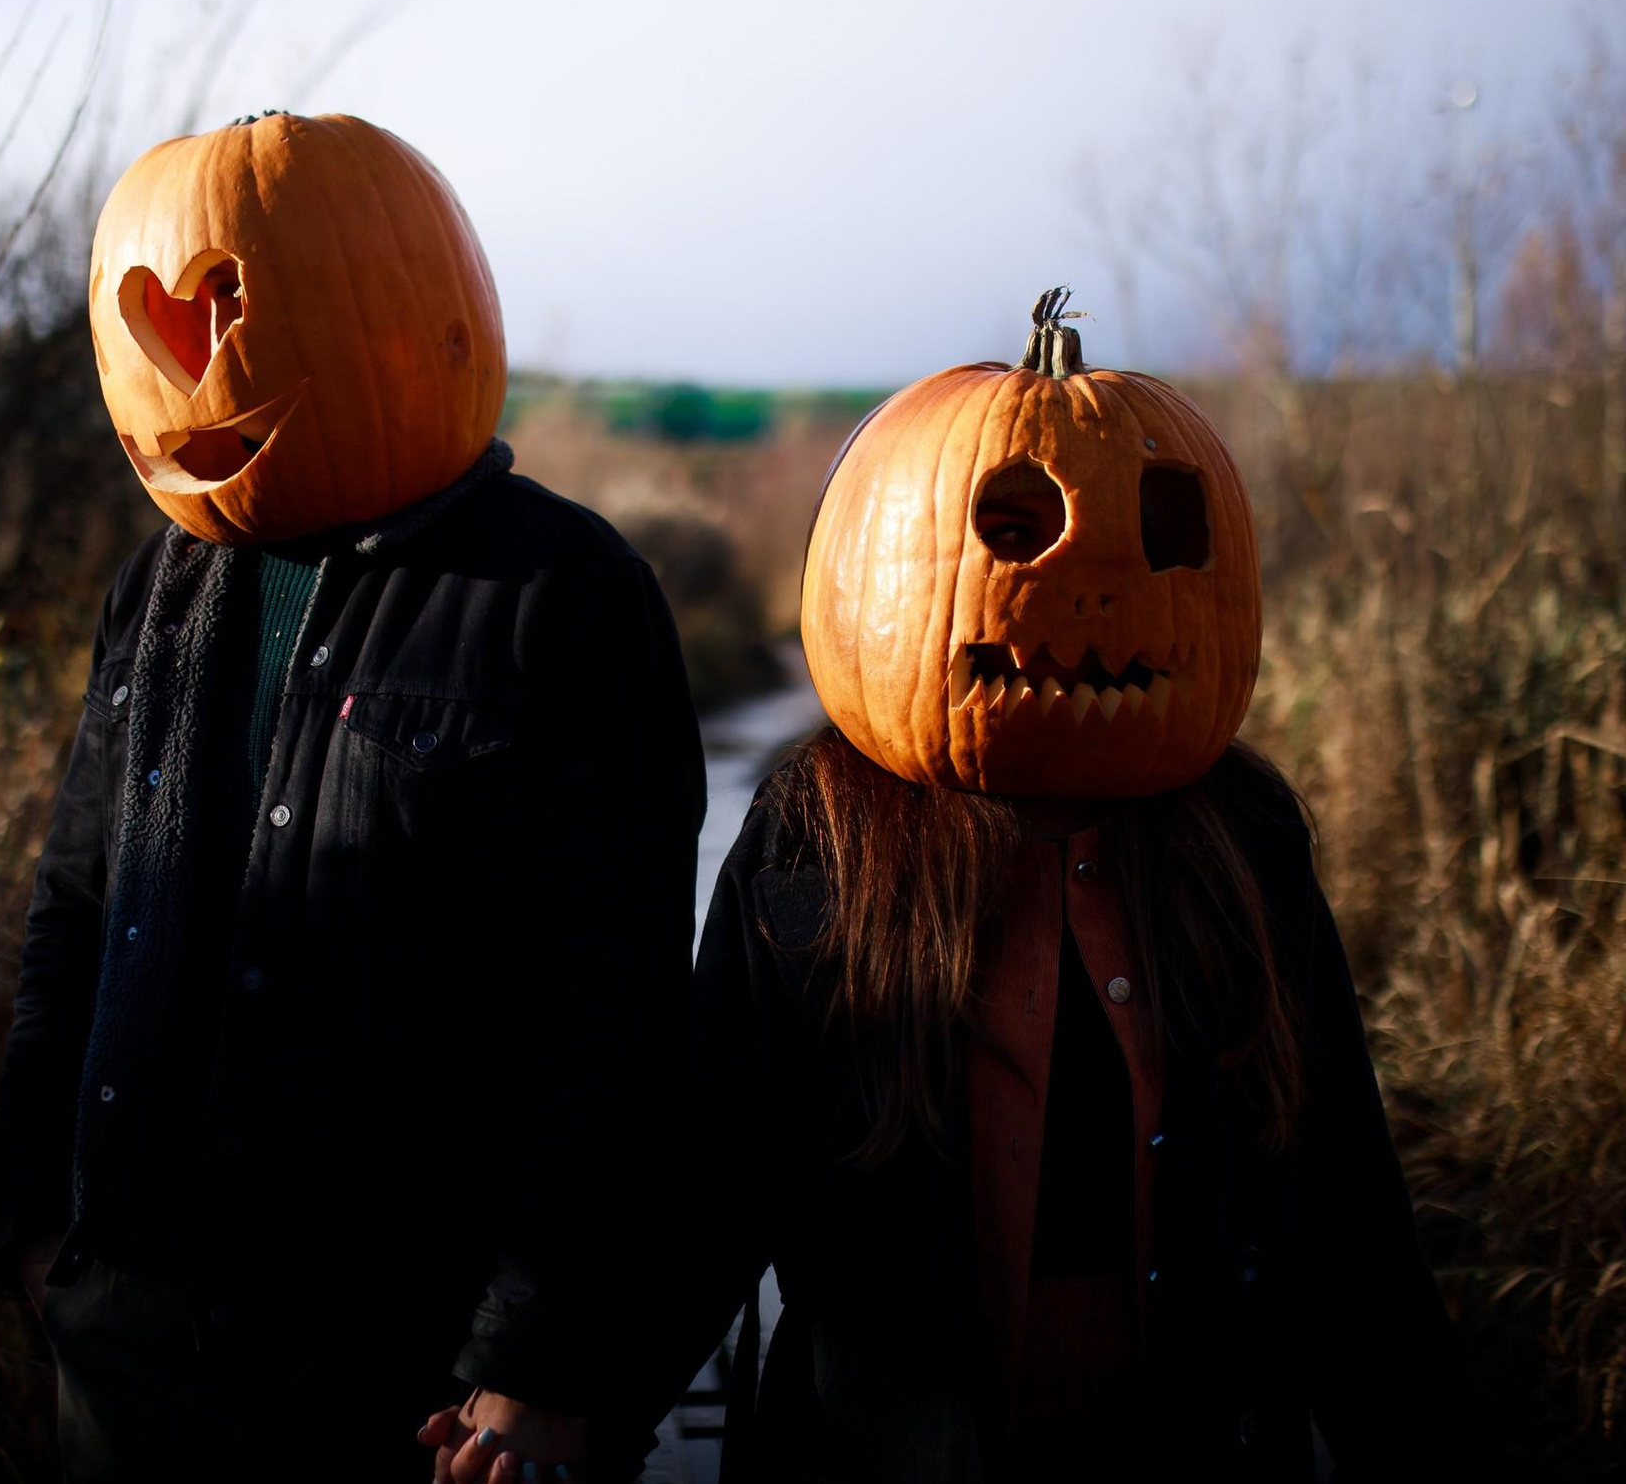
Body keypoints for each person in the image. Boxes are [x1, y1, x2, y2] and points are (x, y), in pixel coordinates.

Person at [622, 296, 1485, 1481]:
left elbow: (1337, 1186)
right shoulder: (818, 832)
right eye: (1011, 535)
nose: (1080, 586)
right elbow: (712, 1172)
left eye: (1151, 537)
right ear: (886, 556)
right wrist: (560, 1401)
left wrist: (1413, 1436)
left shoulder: (1236, 834)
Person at [0, 112, 704, 1480]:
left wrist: (531, 1355)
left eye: (230, 315)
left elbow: (612, 1012)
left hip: (406, 1363)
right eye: (153, 322)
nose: (186, 371)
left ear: (404, 309)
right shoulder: (160, 588)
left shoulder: (564, 596)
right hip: (133, 1334)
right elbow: (77, 906)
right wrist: (37, 1223)